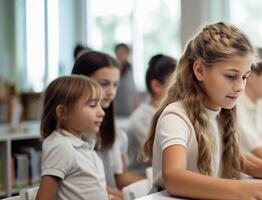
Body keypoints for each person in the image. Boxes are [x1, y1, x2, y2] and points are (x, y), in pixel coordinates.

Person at [141, 22, 262, 200]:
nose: (240, 87)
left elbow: (238, 159)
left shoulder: (221, 112)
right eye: (230, 76)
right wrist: (242, 190)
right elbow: (174, 178)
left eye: (244, 77)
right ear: (200, 70)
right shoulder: (176, 116)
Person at [72, 51, 144, 200]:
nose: (111, 92)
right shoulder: (73, 134)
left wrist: (156, 183)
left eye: (115, 84)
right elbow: (89, 189)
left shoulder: (116, 131)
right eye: (103, 84)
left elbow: (120, 177)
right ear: (81, 82)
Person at [36, 75, 107, 199]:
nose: (102, 112)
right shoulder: (60, 146)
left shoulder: (85, 146)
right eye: (92, 105)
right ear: (63, 112)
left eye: (100, 105)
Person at [127, 54, 176, 175]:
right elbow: (167, 157)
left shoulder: (171, 112)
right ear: (156, 86)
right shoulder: (141, 119)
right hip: (142, 182)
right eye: (176, 85)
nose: (184, 91)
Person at [113, 43, 137, 116]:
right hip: (116, 111)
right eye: (119, 53)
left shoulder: (129, 68)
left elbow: (133, 88)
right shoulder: (112, 69)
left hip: (129, 110)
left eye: (123, 53)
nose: (121, 56)